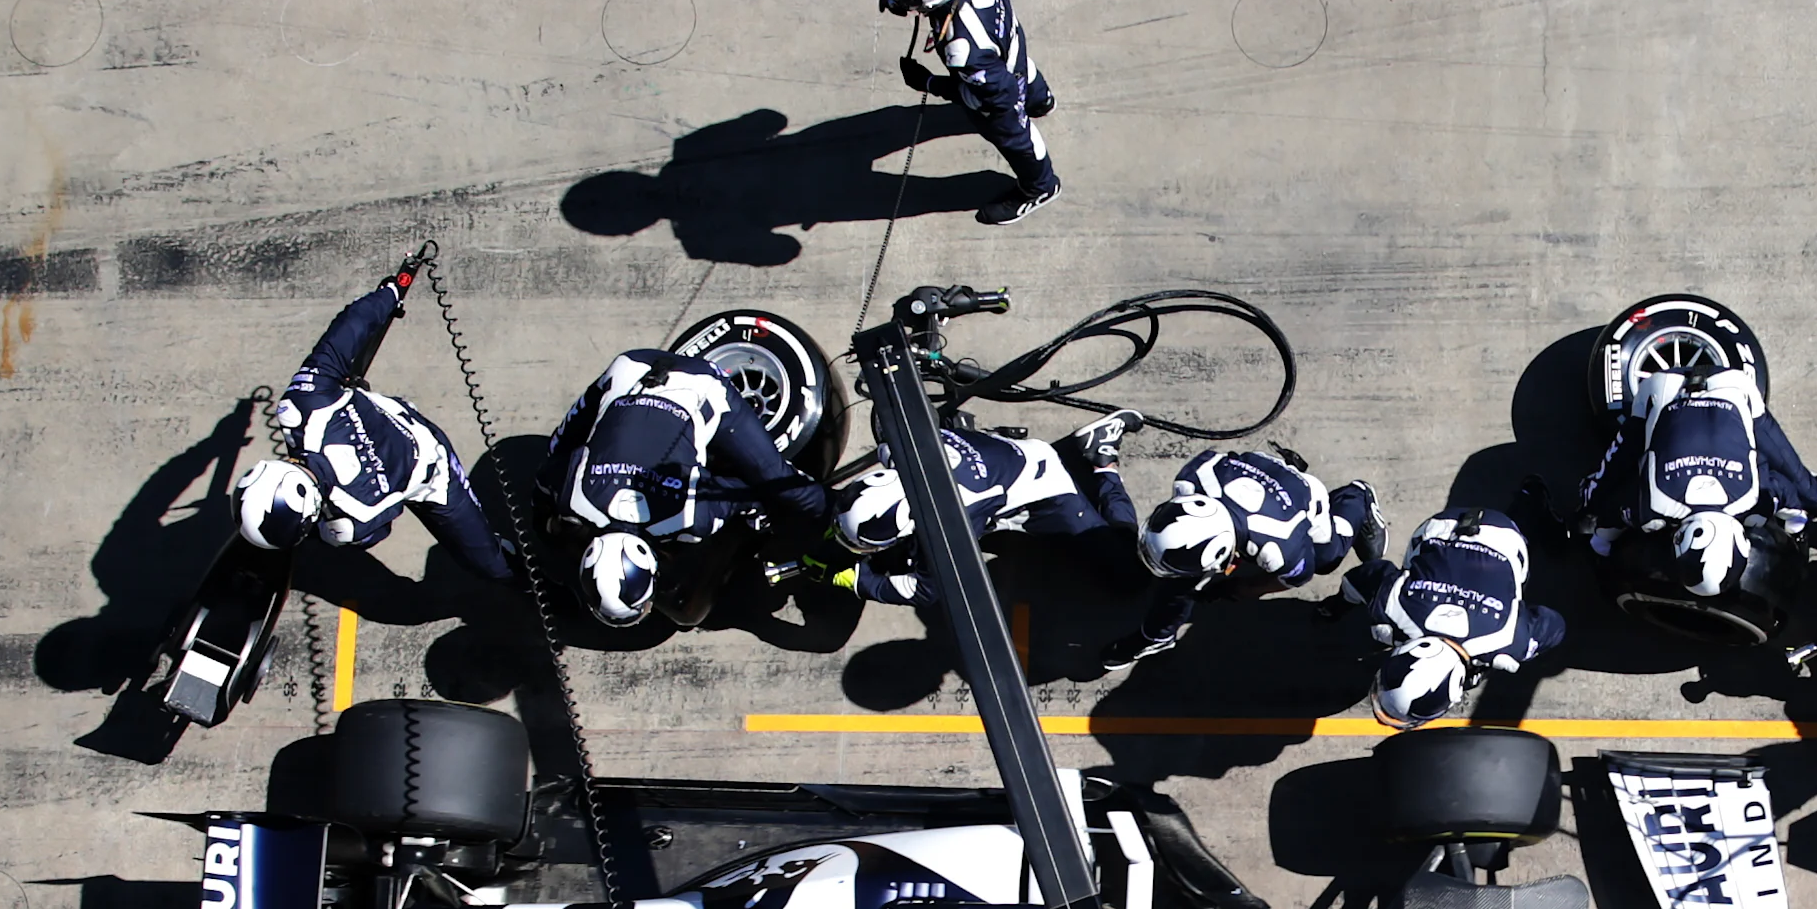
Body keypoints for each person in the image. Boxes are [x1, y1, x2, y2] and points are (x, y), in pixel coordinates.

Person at [232, 254, 515, 586]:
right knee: (485, 563)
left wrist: (318, 531)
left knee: (492, 565)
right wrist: (391, 292)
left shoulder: (352, 524)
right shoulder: (304, 402)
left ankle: (529, 579)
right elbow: (352, 325)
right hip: (398, 422)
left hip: (434, 474)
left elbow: (382, 529)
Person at [538, 347, 834, 632]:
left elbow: (745, 494)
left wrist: (761, 519)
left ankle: (838, 513)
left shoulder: (688, 518)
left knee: (781, 483)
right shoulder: (572, 495)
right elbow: (545, 476)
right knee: (554, 450)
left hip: (700, 384)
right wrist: (545, 522)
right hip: (631, 365)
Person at [1576, 361, 1817, 615]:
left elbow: (1787, 494)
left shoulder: (1751, 502)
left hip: (1727, 387)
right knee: (1592, 500)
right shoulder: (1653, 509)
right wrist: (1600, 546)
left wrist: (1795, 526)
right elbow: (1608, 519)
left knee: (1803, 485)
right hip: (1674, 387)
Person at [833, 410, 1142, 604]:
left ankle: (1103, 457)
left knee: (1131, 571)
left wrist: (861, 582)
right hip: (1002, 456)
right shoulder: (897, 448)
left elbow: (927, 590)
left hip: (1049, 488)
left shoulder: (951, 519)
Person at [870, 0, 1058, 226]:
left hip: (995, 77)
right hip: (1007, 35)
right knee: (1017, 61)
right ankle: (1041, 100)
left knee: (1011, 133)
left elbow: (997, 98)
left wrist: (929, 82)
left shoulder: (963, 49)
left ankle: (1041, 187)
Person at [1129, 443, 1383, 661]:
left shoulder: (1280, 548)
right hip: (1255, 472)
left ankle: (1356, 497)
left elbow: (1297, 577)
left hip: (1304, 495)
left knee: (1327, 559)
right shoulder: (1190, 479)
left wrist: (1247, 588)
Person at [1334, 507, 1568, 731]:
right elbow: (1366, 575)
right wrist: (1341, 602)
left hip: (1498, 538)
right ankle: (1530, 500)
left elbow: (1554, 625)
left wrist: (1525, 644)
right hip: (1443, 528)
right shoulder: (1392, 608)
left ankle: (1533, 505)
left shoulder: (1507, 640)